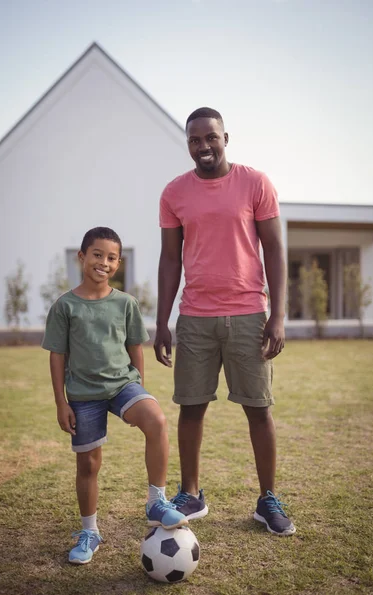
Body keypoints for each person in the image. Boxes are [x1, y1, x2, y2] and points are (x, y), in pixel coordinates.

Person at [154, 108, 296, 536]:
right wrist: (162, 322)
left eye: (210, 138)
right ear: (189, 144)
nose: (203, 146)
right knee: (191, 408)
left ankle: (268, 498)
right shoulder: (174, 193)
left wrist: (278, 316)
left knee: (259, 410)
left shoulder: (255, 183)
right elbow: (169, 258)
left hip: (250, 314)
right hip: (195, 317)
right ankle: (191, 494)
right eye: (195, 140)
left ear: (225, 137)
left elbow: (274, 248)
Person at [42, 226, 188, 565]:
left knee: (156, 419)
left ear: (118, 263)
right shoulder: (65, 307)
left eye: (111, 258)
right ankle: (89, 531)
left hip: (123, 385)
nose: (103, 263)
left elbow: (135, 346)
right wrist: (61, 402)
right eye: (97, 255)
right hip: (83, 394)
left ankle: (156, 501)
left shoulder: (126, 303)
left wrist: (139, 386)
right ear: (82, 257)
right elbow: (56, 356)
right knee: (89, 463)